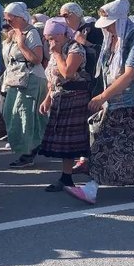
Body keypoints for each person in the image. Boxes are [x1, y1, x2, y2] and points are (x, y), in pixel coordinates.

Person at [64, 0, 134, 204]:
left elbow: (131, 74)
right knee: (106, 144)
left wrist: (103, 96)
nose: (107, 29)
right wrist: (106, 97)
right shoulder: (112, 40)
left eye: (109, 24)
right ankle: (92, 187)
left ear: (119, 21)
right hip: (117, 102)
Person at [38, 17, 91, 191]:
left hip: (76, 97)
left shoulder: (74, 48)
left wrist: (56, 53)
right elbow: (52, 78)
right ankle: (66, 177)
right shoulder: (58, 49)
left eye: (54, 37)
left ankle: (89, 175)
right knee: (64, 142)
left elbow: (67, 73)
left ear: (64, 34)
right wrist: (48, 98)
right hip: (60, 97)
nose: (51, 41)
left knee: (76, 140)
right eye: (48, 38)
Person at [1, 2, 48, 168]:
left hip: (31, 78)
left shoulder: (31, 32)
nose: (8, 21)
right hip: (15, 79)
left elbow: (37, 59)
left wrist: (21, 45)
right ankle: (28, 147)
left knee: (25, 116)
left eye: (10, 18)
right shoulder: (12, 34)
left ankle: (28, 153)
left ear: (20, 17)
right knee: (9, 113)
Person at [59, 2, 102, 175]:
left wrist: (83, 42)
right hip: (81, 82)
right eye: (61, 15)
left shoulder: (92, 29)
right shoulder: (70, 32)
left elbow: (101, 53)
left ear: (76, 14)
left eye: (66, 15)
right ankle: (84, 157)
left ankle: (90, 158)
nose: (64, 19)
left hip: (93, 80)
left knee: (92, 119)